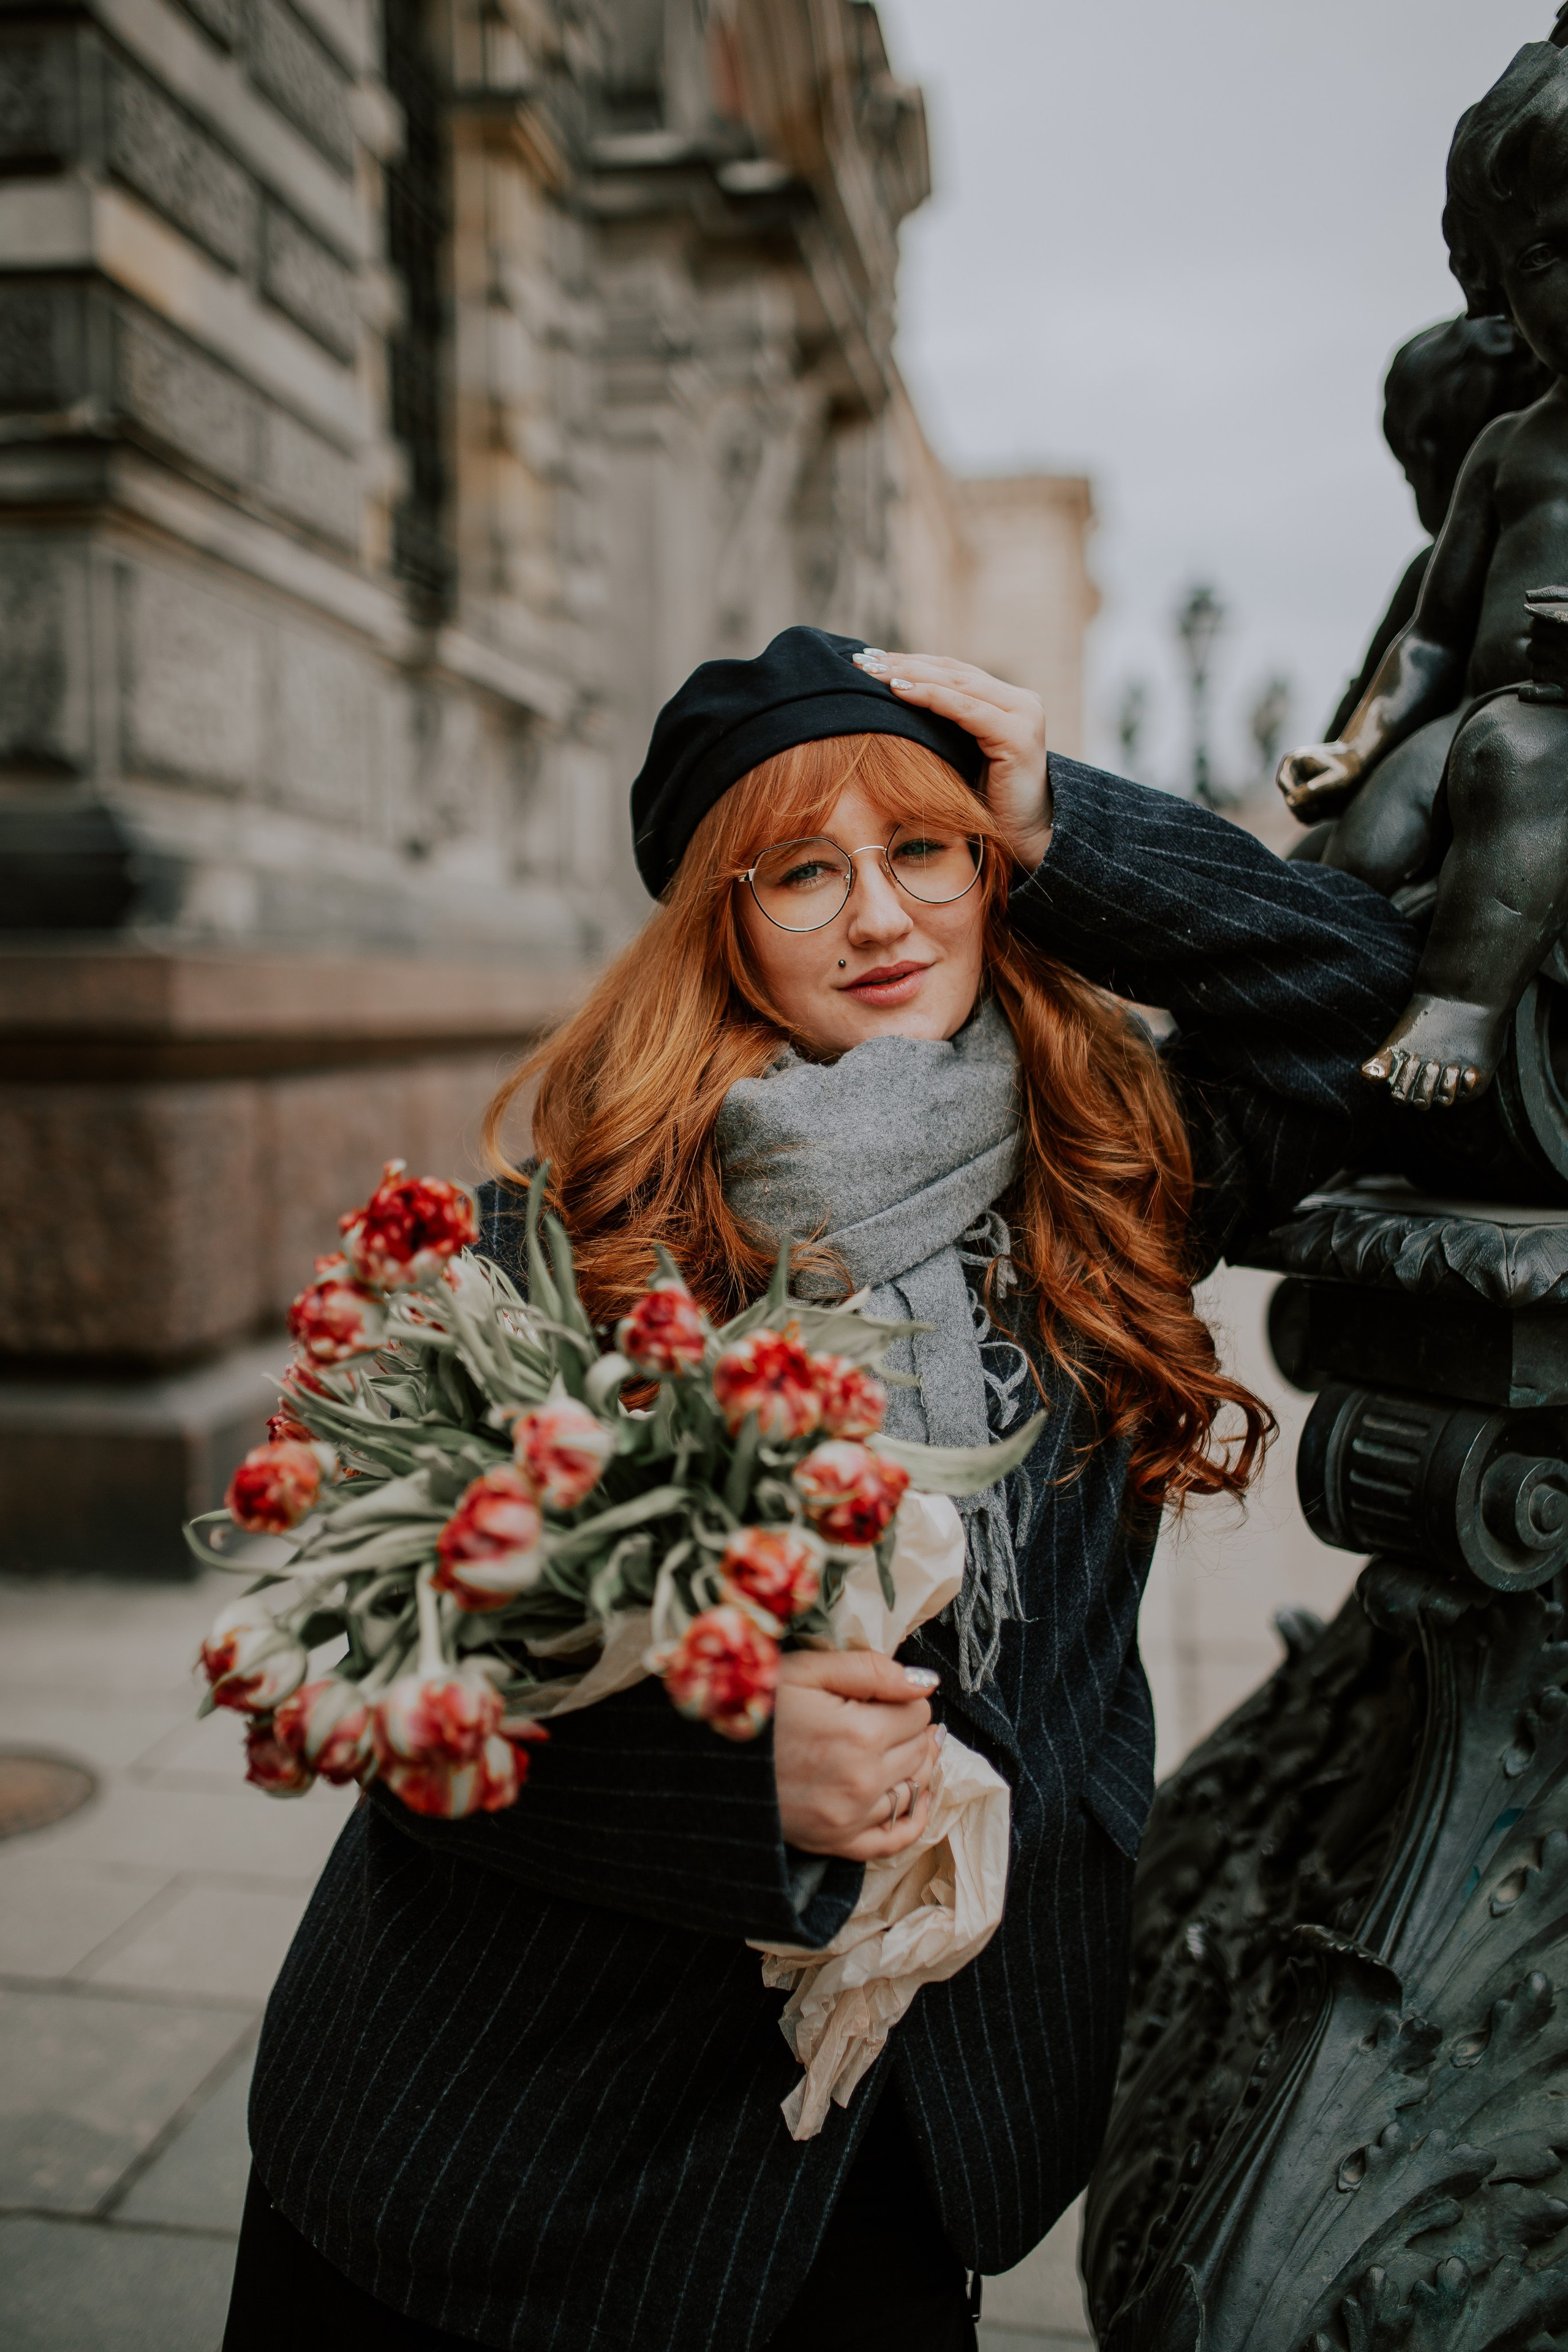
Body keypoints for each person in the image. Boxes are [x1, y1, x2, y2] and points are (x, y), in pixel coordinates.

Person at [223, 627, 1415, 2352]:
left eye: (924, 851)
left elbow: (1365, 987)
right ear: (722, 913)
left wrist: (1061, 814)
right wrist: (736, 1775)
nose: (882, 917)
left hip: (908, 2140)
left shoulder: (1109, 1185)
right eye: (804, 870)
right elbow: (368, 1679)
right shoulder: (550, 1252)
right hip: (507, 2153)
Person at [1278, 36, 1568, 1111]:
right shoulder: (1509, 451)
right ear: (1499, 280)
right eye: (1547, 257)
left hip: (1548, 729)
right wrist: (1355, 746)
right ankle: (1295, 1018)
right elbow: (1435, 633)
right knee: (1374, 830)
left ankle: (1463, 1007)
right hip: (1482, 712)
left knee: (1518, 756)